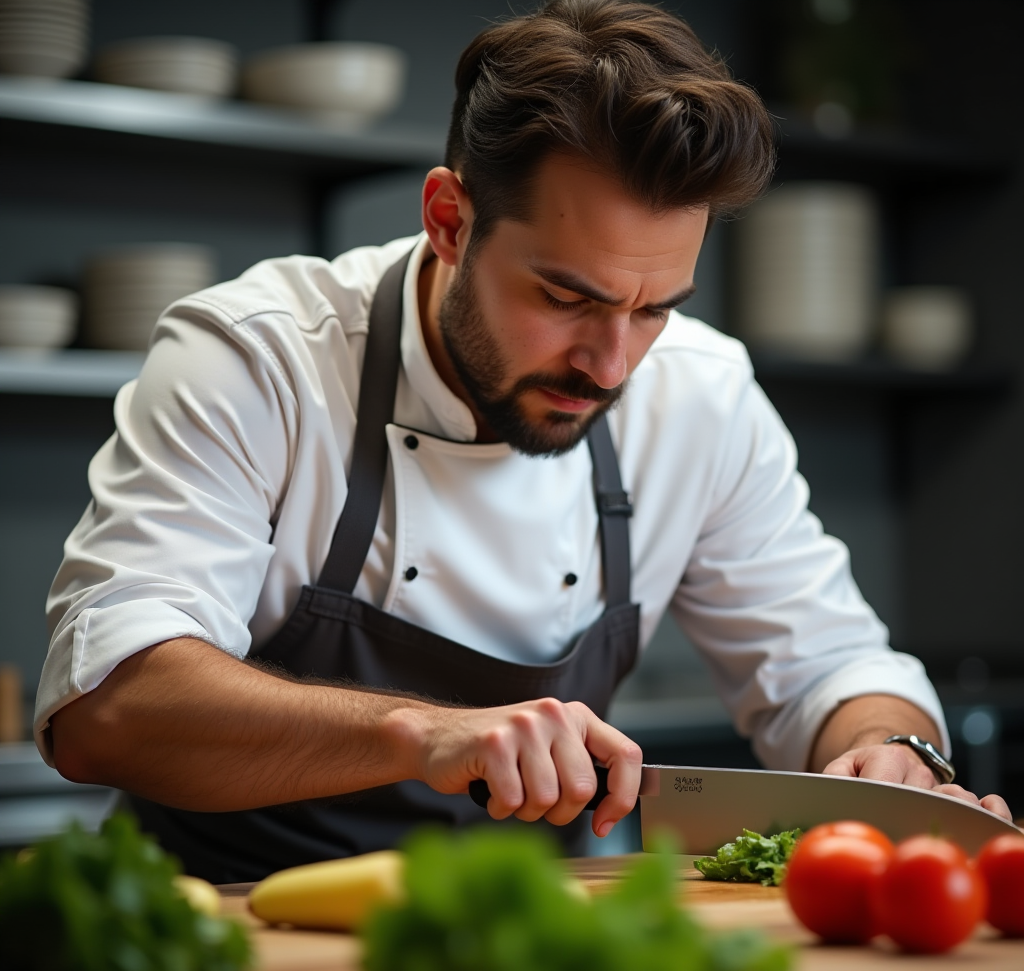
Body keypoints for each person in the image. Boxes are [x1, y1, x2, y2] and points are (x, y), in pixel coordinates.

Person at [38, 0, 1010, 882]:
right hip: (227, 928)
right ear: (449, 220)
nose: (611, 364)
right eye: (567, 297)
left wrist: (889, 751)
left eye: (654, 309)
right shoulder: (259, 360)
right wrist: (422, 733)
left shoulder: (701, 398)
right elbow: (107, 707)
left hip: (525, 935)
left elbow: (829, 666)